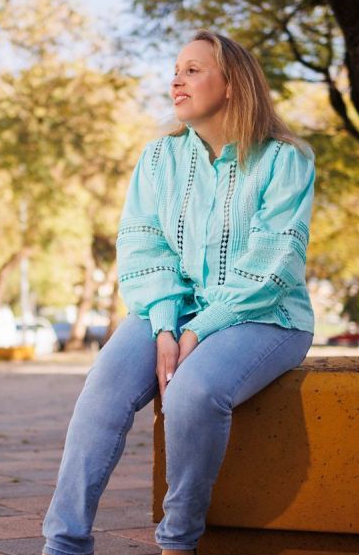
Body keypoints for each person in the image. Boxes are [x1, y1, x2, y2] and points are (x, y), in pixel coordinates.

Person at [41, 30, 317, 555]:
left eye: (193, 69)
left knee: (192, 393)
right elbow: (143, 245)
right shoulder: (158, 158)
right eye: (176, 69)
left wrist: (199, 330)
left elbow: (274, 259)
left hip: (266, 315)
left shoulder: (286, 159)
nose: (176, 79)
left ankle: (177, 544)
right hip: (169, 306)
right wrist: (167, 322)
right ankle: (64, 545)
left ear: (233, 83)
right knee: (102, 393)